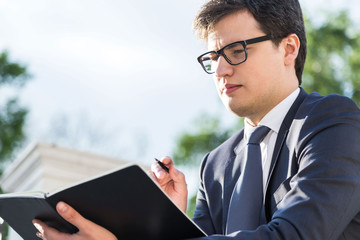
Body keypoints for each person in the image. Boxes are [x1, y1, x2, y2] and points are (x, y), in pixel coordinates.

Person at [33, 0, 360, 239]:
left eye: (236, 51)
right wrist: (165, 222)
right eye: (213, 57)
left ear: (288, 49)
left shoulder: (333, 123)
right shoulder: (215, 165)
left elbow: (293, 235)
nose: (220, 70)